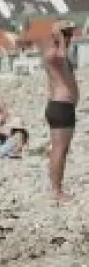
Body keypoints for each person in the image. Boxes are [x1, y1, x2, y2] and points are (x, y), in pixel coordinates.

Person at [44, 20, 80, 204]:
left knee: (61, 150)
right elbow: (59, 57)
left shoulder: (59, 54)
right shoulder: (53, 54)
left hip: (64, 107)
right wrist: (57, 34)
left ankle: (57, 189)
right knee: (59, 150)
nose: (70, 38)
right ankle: (56, 191)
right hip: (60, 106)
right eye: (67, 34)